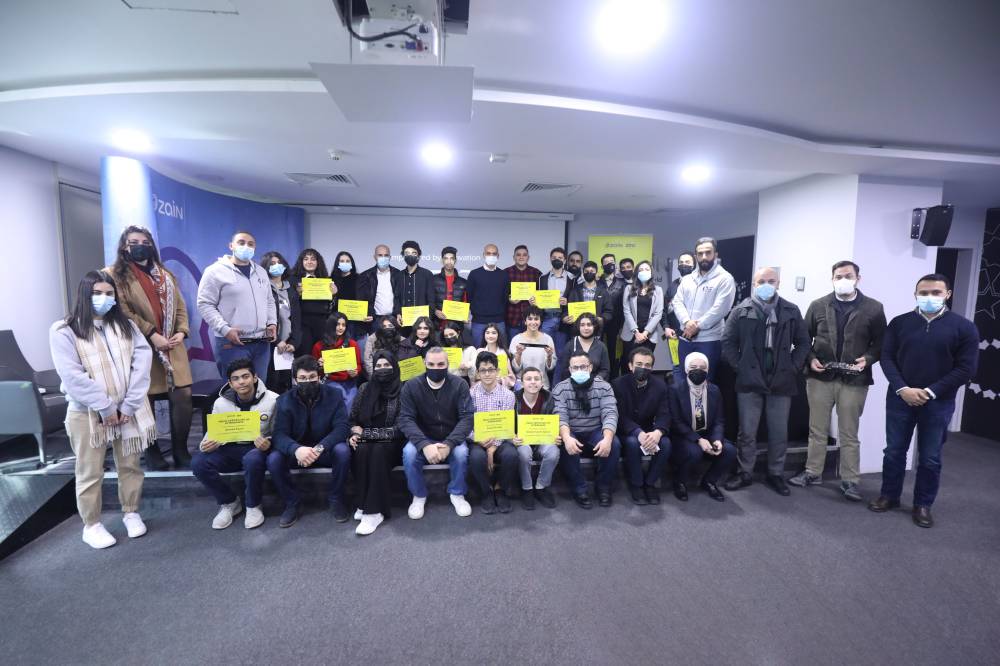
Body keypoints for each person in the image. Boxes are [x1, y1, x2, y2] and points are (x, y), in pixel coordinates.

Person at [49, 270, 155, 549]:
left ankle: (131, 512)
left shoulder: (126, 325)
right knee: (90, 470)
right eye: (97, 293)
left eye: (109, 294)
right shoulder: (64, 330)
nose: (104, 298)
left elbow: (142, 363)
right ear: (84, 295)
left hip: (129, 408)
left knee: (130, 465)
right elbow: (72, 376)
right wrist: (106, 407)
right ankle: (92, 525)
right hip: (87, 412)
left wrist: (129, 404)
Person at [868, 274, 979, 528]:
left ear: (947, 294)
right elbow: (887, 358)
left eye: (936, 293)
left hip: (938, 403)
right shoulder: (899, 323)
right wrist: (903, 388)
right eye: (924, 292)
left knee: (930, 457)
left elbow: (966, 369)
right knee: (894, 452)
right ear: (915, 294)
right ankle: (889, 496)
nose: (929, 297)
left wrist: (929, 392)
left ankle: (923, 504)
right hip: (900, 398)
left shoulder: (964, 328)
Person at [788, 261, 887, 502]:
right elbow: (803, 338)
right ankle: (812, 472)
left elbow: (881, 343)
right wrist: (810, 359)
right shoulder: (818, 305)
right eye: (838, 276)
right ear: (832, 279)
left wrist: (868, 359)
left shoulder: (873, 308)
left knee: (849, 432)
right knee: (817, 429)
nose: (843, 280)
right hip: (820, 377)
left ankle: (850, 480)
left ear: (858, 278)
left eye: (848, 276)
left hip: (855, 379)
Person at [107, 225, 192, 471]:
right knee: (146, 399)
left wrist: (181, 331)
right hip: (141, 346)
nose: (140, 246)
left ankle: (181, 451)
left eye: (145, 242)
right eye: (134, 242)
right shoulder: (113, 275)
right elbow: (122, 310)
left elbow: (180, 307)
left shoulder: (165, 275)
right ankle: (152, 451)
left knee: (183, 396)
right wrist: (152, 334)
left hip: (172, 345)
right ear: (124, 246)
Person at [722, 267, 810, 495]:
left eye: (771, 281)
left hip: (781, 380)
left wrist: (793, 367)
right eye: (761, 281)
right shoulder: (740, 311)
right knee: (747, 432)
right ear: (754, 284)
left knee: (779, 432)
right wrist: (740, 367)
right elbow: (728, 342)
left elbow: (803, 342)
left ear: (778, 283)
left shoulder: (791, 310)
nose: (766, 285)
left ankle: (775, 473)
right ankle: (744, 472)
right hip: (749, 380)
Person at [190, 358, 280, 530]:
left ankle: (253, 505)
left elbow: (279, 432)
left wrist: (269, 443)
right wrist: (205, 445)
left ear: (255, 377)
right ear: (230, 383)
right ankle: (229, 502)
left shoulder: (273, 399)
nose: (241, 382)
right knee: (198, 463)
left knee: (252, 459)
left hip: (256, 449)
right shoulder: (220, 403)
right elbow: (212, 432)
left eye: (245, 376)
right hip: (228, 448)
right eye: (236, 379)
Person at [270, 356, 351, 527]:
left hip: (324, 449)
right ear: (295, 380)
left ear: (319, 377)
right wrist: (296, 449)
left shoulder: (334, 395)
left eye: (312, 377)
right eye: (303, 378)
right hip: (298, 453)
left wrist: (320, 447)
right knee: (274, 459)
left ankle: (336, 497)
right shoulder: (284, 400)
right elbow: (279, 434)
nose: (308, 381)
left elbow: (342, 427)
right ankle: (291, 502)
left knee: (343, 451)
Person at [398, 347, 475, 518]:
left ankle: (457, 493)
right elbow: (405, 419)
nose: (436, 368)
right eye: (431, 364)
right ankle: (418, 495)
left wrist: (449, 444)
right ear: (424, 363)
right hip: (423, 436)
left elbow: (467, 418)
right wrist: (424, 445)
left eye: (441, 364)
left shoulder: (460, 384)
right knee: (409, 453)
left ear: (448, 364)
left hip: (452, 435)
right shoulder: (411, 386)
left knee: (461, 453)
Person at [196, 230, 277, 382]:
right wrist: (224, 329)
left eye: (250, 244)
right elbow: (205, 304)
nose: (246, 246)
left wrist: (272, 322)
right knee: (236, 389)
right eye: (241, 243)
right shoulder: (214, 271)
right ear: (231, 246)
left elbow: (269, 300)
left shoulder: (260, 271)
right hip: (232, 343)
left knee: (260, 388)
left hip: (261, 343)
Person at [553, 349, 620, 508]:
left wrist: (607, 439)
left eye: (583, 367)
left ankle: (603, 487)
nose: (579, 370)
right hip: (572, 431)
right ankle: (579, 487)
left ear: (590, 367)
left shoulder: (604, 387)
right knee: (563, 443)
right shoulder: (560, 388)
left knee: (614, 444)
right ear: (570, 370)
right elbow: (560, 415)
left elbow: (610, 413)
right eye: (575, 368)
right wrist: (567, 438)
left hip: (595, 431)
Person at [348, 350, 405, 535]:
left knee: (378, 449)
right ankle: (363, 503)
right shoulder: (365, 388)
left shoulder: (403, 389)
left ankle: (374, 511)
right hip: (367, 441)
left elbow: (401, 427)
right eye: (378, 366)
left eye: (386, 365)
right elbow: (352, 419)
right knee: (362, 449)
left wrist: (367, 434)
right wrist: (353, 433)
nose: (382, 369)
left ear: (394, 366)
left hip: (393, 442)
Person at [668, 352, 737, 502]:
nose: (698, 370)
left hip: (707, 434)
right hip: (684, 436)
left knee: (730, 450)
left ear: (708, 370)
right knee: (694, 452)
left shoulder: (714, 390)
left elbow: (719, 420)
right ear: (686, 369)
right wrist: (698, 440)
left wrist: (717, 439)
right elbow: (676, 422)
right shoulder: (675, 390)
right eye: (693, 367)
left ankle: (709, 481)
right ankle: (680, 482)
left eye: (702, 367)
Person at [613, 347, 672, 505]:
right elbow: (619, 416)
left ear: (652, 368)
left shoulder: (660, 386)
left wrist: (658, 432)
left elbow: (665, 413)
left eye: (647, 365)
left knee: (666, 443)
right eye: (639, 364)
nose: (643, 368)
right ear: (630, 366)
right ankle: (637, 484)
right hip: (626, 431)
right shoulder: (618, 384)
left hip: (650, 429)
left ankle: (650, 483)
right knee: (632, 443)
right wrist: (637, 432)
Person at [672, 237, 736, 381]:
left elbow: (720, 309)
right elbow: (677, 302)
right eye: (700, 254)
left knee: (705, 381)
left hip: (709, 340)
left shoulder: (725, 279)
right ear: (696, 256)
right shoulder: (687, 279)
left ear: (715, 254)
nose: (704, 257)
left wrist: (698, 326)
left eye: (708, 252)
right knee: (684, 379)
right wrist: (687, 322)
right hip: (685, 339)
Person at [467, 351, 519, 514]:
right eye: (483, 370)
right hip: (478, 439)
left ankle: (500, 488)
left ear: (498, 371)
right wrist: (478, 440)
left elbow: (507, 425)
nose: (487, 374)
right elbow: (466, 423)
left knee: (511, 455)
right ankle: (486, 491)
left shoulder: (508, 395)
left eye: (491, 369)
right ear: (477, 373)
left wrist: (492, 448)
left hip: (501, 439)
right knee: (476, 457)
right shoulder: (470, 394)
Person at [513, 367, 560, 509]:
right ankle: (527, 488)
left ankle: (541, 487)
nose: (533, 382)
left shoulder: (550, 398)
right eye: (528, 379)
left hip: (543, 440)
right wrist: (512, 437)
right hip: (522, 441)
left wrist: (556, 435)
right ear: (522, 383)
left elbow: (556, 419)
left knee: (553, 451)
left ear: (542, 382)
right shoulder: (514, 398)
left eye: (536, 379)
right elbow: (508, 424)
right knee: (523, 453)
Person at [260, 250, 300, 395]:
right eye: (272, 264)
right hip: (271, 344)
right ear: (266, 267)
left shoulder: (291, 288)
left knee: (287, 383)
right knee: (272, 384)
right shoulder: (263, 287)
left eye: (279, 262)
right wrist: (276, 341)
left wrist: (294, 342)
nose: (276, 265)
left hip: (289, 344)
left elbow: (297, 318)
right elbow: (263, 318)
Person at [289, 248, 334, 357]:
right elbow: (288, 303)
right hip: (302, 323)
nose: (309, 262)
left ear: (318, 262)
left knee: (322, 355)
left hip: (322, 323)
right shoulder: (293, 280)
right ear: (301, 262)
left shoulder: (326, 280)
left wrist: (334, 294)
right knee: (305, 354)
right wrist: (297, 294)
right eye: (306, 259)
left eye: (313, 259)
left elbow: (331, 305)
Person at [312, 312, 361, 408]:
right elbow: (314, 370)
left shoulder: (352, 344)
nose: (341, 328)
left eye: (343, 325)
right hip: (329, 380)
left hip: (349, 382)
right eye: (338, 324)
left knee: (353, 399)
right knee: (340, 394)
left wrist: (355, 372)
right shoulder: (319, 346)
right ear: (331, 325)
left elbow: (358, 365)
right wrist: (319, 365)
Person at [620, 260, 663, 367]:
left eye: (647, 269)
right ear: (637, 272)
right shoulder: (629, 288)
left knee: (645, 364)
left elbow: (658, 313)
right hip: (631, 334)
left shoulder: (658, 290)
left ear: (651, 272)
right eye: (641, 269)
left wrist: (645, 333)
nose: (644, 271)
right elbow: (626, 311)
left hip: (649, 335)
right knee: (628, 364)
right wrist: (636, 332)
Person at [466, 243, 512, 344]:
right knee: (478, 350)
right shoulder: (474, 274)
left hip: (499, 321)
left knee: (500, 350)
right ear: (484, 255)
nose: (491, 256)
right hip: (478, 321)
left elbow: (505, 297)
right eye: (488, 253)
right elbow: (469, 296)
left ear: (498, 256)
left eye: (494, 254)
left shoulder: (504, 275)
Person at [663, 252, 696, 383]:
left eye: (687, 262)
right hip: (675, 335)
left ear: (694, 265)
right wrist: (666, 327)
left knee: (694, 367)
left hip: (695, 335)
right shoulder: (673, 285)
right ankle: (679, 393)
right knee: (677, 366)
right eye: (681, 262)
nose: (684, 265)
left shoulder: (699, 284)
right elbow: (665, 309)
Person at [538, 247, 574, 357]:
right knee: (545, 351)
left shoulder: (572, 278)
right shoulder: (542, 278)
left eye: (560, 258)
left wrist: (568, 302)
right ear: (550, 259)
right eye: (554, 258)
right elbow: (539, 298)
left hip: (563, 319)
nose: (557, 260)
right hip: (547, 319)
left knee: (561, 353)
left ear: (564, 260)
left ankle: (558, 370)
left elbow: (576, 298)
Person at [392, 240, 436, 329]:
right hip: (403, 322)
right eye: (407, 253)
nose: (410, 255)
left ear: (418, 256)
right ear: (403, 256)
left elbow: (431, 300)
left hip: (422, 324)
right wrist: (398, 313)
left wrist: (427, 319)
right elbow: (397, 298)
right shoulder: (399, 276)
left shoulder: (427, 274)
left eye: (414, 253)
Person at [356, 244, 398, 336]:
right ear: (375, 257)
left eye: (386, 255)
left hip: (393, 318)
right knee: (375, 344)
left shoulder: (398, 274)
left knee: (395, 343)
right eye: (380, 255)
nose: (383, 258)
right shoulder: (366, 275)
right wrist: (367, 313)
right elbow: (361, 298)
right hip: (375, 320)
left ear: (390, 257)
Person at [510, 307, 557, 389]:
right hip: (522, 385)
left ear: (540, 321)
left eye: (536, 319)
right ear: (525, 321)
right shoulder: (516, 339)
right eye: (530, 319)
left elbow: (550, 368)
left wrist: (549, 356)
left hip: (542, 384)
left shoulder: (548, 339)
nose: (533, 322)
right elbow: (515, 368)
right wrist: (519, 354)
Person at [557, 312, 611, 383]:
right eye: (582, 325)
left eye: (589, 325)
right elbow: (564, 370)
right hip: (573, 384)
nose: (586, 328)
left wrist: (596, 381)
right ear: (578, 327)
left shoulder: (601, 346)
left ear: (595, 326)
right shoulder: (570, 345)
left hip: (595, 384)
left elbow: (605, 370)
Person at [599, 253, 627, 377]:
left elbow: (625, 306)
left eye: (612, 261)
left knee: (614, 352)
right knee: (599, 350)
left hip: (616, 323)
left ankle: (614, 378)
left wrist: (622, 325)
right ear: (602, 266)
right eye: (606, 262)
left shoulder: (622, 283)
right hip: (599, 321)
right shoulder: (597, 281)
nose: (610, 264)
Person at [505, 244, 542, 339]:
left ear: (528, 257)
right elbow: (501, 294)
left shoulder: (536, 273)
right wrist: (508, 299)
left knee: (531, 346)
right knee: (513, 346)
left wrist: (537, 300)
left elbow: (542, 294)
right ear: (513, 257)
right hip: (512, 318)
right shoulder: (505, 273)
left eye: (524, 255)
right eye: (518, 255)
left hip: (531, 319)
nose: (521, 257)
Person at [465, 322, 516, 388]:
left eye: (493, 333)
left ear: (498, 335)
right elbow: (473, 376)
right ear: (484, 335)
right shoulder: (479, 352)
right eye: (487, 333)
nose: (490, 336)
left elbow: (511, 378)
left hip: (499, 388)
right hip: (481, 388)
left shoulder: (503, 353)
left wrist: (501, 380)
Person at [330, 250, 364, 350]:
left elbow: (363, 299)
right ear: (337, 263)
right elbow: (328, 304)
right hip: (336, 321)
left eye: (347, 261)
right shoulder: (331, 280)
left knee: (351, 349)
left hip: (354, 322)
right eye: (342, 261)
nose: (345, 263)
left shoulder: (359, 279)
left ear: (351, 263)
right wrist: (334, 294)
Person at [567, 260, 614, 330]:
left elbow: (609, 311)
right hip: (578, 328)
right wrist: (565, 317)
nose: (589, 273)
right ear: (583, 273)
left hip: (596, 328)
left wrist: (602, 318)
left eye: (592, 271)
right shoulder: (575, 290)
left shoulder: (603, 291)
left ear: (596, 273)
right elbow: (567, 309)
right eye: (586, 271)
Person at [433, 246, 468, 331]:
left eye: (452, 258)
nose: (449, 261)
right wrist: (435, 311)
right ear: (442, 260)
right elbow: (427, 300)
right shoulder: (433, 280)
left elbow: (465, 301)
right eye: (446, 258)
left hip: (456, 326)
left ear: (455, 260)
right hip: (437, 324)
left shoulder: (463, 282)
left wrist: (465, 315)